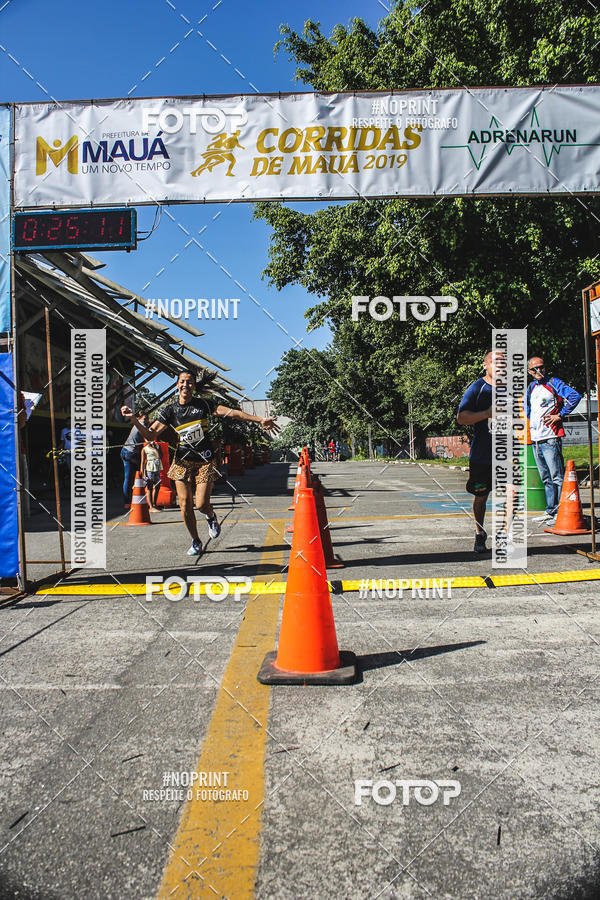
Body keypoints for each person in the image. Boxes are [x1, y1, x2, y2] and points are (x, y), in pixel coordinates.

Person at [121, 370, 279, 556]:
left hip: (205, 460)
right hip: (181, 460)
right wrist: (133, 419)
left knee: (201, 504)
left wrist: (260, 419)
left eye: (189, 382)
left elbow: (233, 413)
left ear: (194, 386)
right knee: (184, 503)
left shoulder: (203, 405)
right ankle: (195, 540)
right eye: (182, 382)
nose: (185, 385)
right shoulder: (169, 411)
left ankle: (210, 516)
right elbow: (150, 435)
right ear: (177, 385)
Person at [526, 355, 581, 526]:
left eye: (541, 367)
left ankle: (560, 511)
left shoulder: (553, 383)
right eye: (534, 369)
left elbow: (574, 396)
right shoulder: (531, 387)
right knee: (545, 478)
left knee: (557, 476)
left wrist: (560, 415)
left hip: (551, 437)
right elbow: (528, 408)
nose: (538, 371)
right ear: (530, 371)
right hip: (536, 439)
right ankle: (550, 510)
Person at [457, 350, 503, 553]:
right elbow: (462, 417)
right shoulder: (477, 388)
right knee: (481, 497)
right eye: (495, 362)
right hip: (483, 454)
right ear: (485, 365)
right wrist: (486, 413)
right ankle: (480, 533)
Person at [120, 413, 148, 508]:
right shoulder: (141, 426)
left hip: (125, 451)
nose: (146, 421)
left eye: (147, 419)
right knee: (140, 473)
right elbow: (148, 437)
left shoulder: (136, 426)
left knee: (128, 477)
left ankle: (127, 501)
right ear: (139, 419)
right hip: (131, 453)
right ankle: (140, 497)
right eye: (145, 419)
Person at [141, 437, 163, 511]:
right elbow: (143, 461)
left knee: (157, 486)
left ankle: (154, 503)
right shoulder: (144, 449)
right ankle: (151, 506)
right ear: (145, 440)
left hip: (157, 467)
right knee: (149, 486)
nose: (149, 441)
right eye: (147, 439)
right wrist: (142, 472)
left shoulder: (157, 447)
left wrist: (155, 448)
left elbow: (160, 456)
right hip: (149, 468)